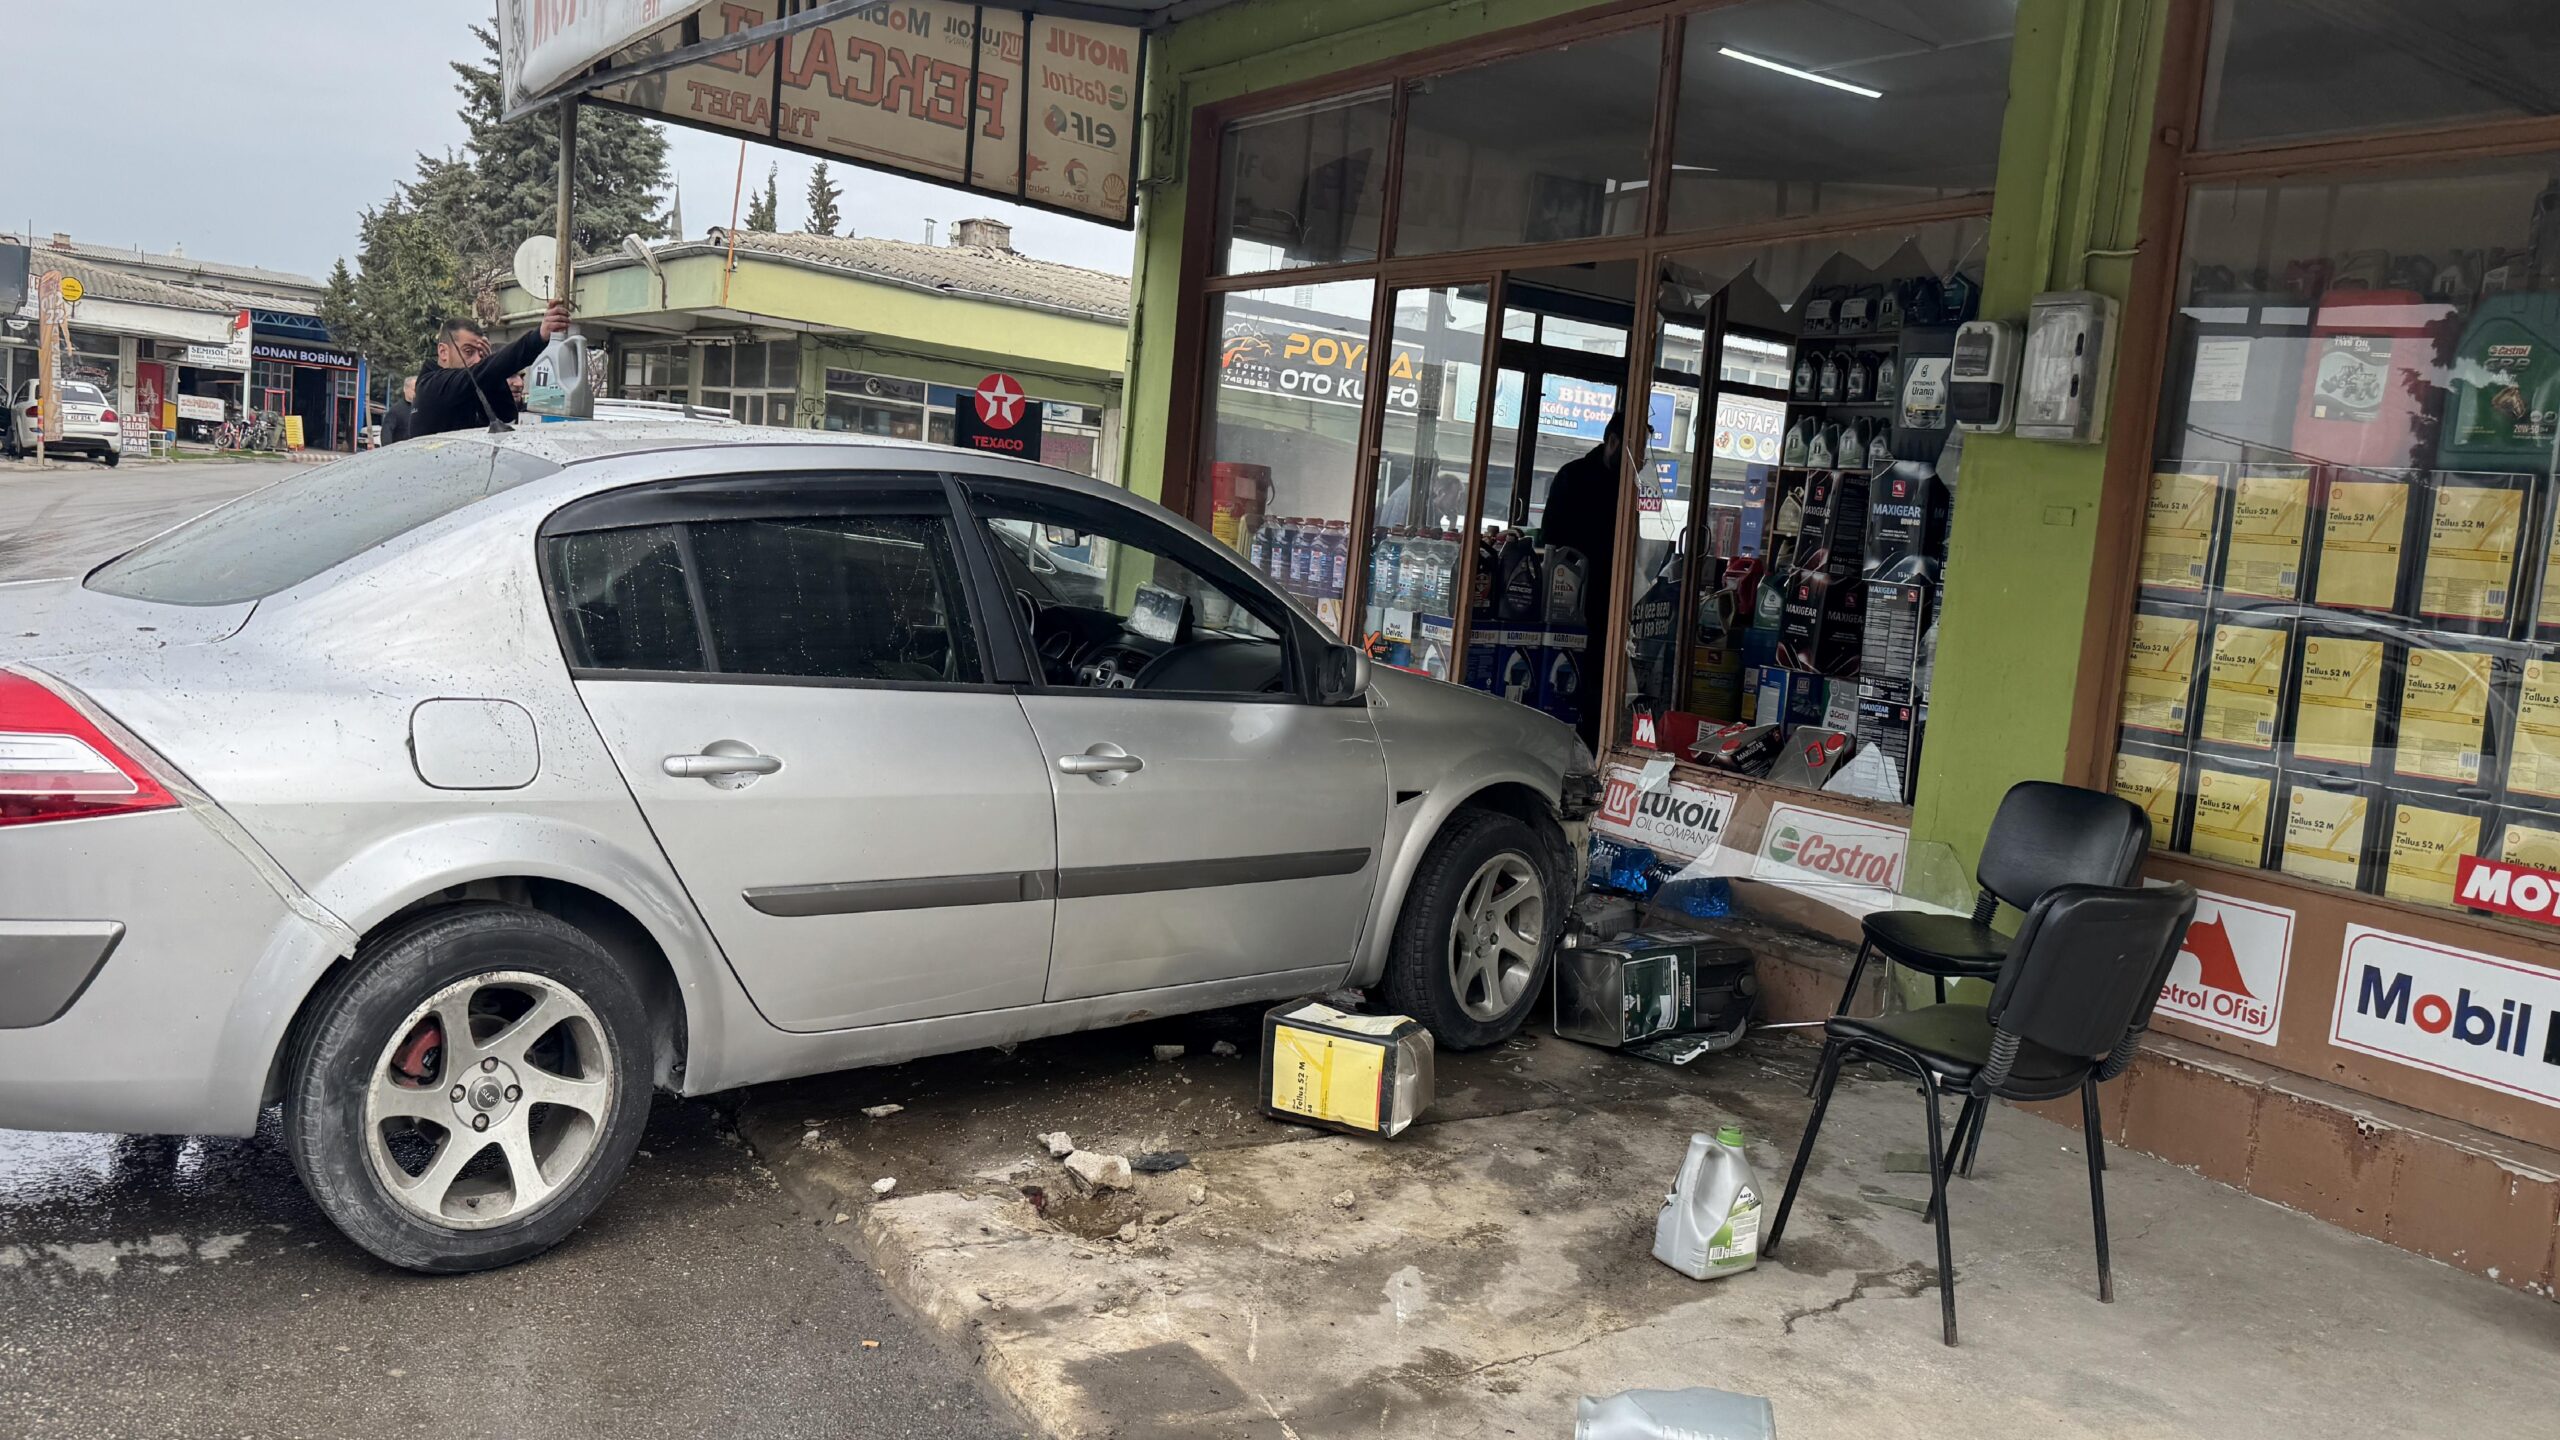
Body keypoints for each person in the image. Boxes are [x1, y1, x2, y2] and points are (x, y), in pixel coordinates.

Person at [1535, 411, 1628, 746]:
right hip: (1572, 598)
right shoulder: (1573, 477)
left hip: (1616, 601)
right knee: (1571, 680)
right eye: (1633, 447)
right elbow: (1551, 543)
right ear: (1613, 441)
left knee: (1603, 683)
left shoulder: (1631, 484)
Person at [409, 300, 571, 438]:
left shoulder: (467, 387)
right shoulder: (432, 386)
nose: (476, 360)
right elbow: (481, 373)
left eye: (481, 355)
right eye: (468, 351)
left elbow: (506, 418)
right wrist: (537, 338)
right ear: (443, 352)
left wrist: (492, 377)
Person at [381, 376, 416, 446]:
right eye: (414, 389)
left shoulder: (423, 408)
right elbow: (386, 434)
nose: (417, 392)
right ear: (405, 389)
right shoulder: (396, 410)